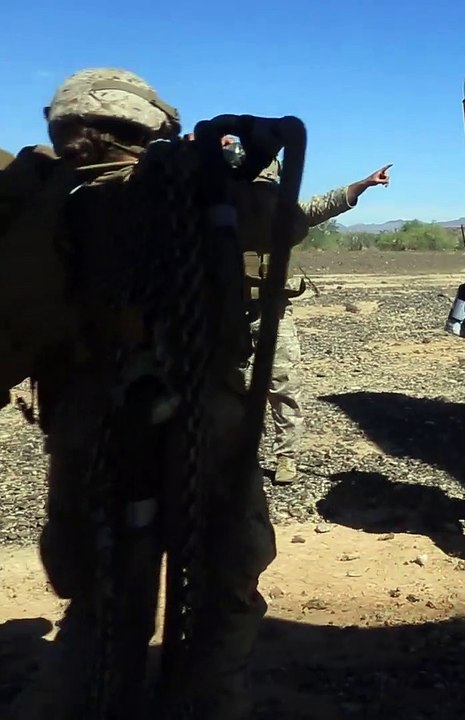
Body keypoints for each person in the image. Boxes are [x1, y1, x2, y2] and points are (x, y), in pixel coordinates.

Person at [5, 67, 309, 719]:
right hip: (207, 415)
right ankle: (205, 702)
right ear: (147, 125)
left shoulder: (45, 204)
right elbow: (291, 224)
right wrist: (240, 165)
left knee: (100, 601)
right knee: (220, 595)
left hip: (91, 423)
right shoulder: (197, 187)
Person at [234, 140, 392, 485]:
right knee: (233, 389)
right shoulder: (221, 211)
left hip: (273, 312)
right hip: (228, 314)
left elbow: (324, 205)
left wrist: (362, 185)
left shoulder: (282, 212)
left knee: (283, 386)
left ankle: (286, 457)